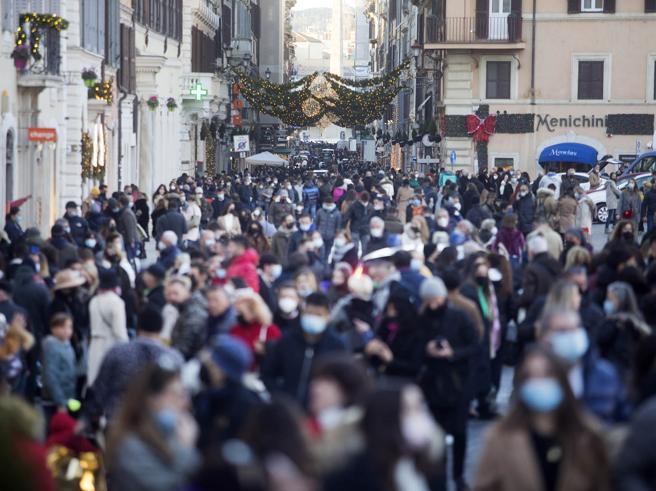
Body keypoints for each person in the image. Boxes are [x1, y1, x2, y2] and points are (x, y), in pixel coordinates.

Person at [474, 346, 611, 491]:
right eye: (531, 376)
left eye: (547, 375)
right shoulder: (499, 438)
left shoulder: (589, 436)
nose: (540, 383)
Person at [417, 276, 478, 491]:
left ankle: (458, 475)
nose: (433, 305)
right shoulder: (422, 319)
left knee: (460, 431)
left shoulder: (459, 317)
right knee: (437, 435)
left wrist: (453, 353)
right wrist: (427, 350)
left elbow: (474, 344)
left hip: (458, 381)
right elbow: (415, 346)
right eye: (429, 300)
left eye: (436, 299)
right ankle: (440, 477)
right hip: (433, 383)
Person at [106, 364, 200, 491]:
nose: (184, 403)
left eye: (183, 394)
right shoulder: (129, 443)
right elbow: (165, 486)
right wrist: (185, 448)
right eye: (175, 394)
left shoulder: (167, 434)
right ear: (151, 398)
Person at [91, 306, 183, 419]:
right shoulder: (173, 358)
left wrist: (90, 416)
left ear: (138, 327)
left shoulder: (117, 352)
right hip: (157, 422)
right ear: (160, 329)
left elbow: (100, 387)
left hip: (119, 418)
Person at [538, 308, 628, 424]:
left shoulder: (606, 375)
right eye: (562, 330)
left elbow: (622, 420)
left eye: (577, 328)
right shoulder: (534, 374)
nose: (571, 336)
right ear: (544, 337)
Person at [261, 292, 347, 403]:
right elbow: (268, 373)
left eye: (318, 315)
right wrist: (279, 396)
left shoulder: (337, 346)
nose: (313, 318)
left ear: (328, 317)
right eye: (309, 313)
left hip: (320, 411)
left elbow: (342, 380)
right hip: (287, 407)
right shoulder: (287, 340)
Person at [194, 335, 262, 449]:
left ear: (222, 370)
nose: (207, 368)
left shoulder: (242, 405)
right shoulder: (207, 395)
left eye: (212, 365)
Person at [88, 269, 128, 384]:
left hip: (95, 344)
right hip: (111, 344)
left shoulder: (94, 300)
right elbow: (119, 331)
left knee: (95, 379)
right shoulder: (117, 302)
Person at [229, 290, 281, 366]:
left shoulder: (270, 330)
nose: (238, 315)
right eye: (237, 312)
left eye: (241, 312)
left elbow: (279, 356)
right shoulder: (235, 329)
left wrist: (266, 349)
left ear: (254, 311)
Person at [165, 276, 208, 360]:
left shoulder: (194, 311)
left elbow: (185, 344)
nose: (172, 297)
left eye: (176, 293)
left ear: (187, 291)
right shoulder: (184, 308)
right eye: (169, 294)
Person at [41, 312, 76, 412]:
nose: (67, 331)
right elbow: (50, 375)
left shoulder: (67, 345)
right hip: (54, 400)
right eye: (63, 327)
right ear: (53, 328)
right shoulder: (51, 346)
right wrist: (60, 401)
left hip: (67, 397)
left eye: (69, 327)